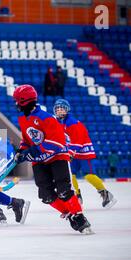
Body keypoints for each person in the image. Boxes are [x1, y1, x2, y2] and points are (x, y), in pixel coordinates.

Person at [13, 84, 93, 234]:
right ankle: (70, 215)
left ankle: (80, 216)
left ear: (25, 101)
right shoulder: (23, 119)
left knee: (64, 189)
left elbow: (57, 143)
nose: (16, 104)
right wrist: (21, 151)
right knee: (45, 194)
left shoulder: (46, 118)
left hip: (57, 157)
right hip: (40, 161)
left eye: (18, 101)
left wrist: (33, 151)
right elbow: (27, 139)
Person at [53, 99, 116, 208]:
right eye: (57, 109)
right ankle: (77, 196)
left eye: (61, 108)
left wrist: (70, 152)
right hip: (72, 152)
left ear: (67, 110)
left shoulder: (72, 122)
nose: (59, 111)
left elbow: (78, 140)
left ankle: (105, 193)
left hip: (83, 152)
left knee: (89, 176)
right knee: (70, 175)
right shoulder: (58, 123)